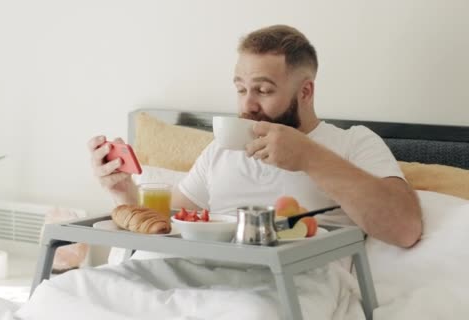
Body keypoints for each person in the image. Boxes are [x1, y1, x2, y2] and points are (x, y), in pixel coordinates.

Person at [88, 25, 422, 248]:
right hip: (191, 275)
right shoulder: (222, 149)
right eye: (241, 89)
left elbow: (404, 228)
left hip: (282, 285)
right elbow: (170, 225)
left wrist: (309, 156)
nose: (247, 105)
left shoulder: (354, 143)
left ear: (305, 92)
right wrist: (123, 194)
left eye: (263, 90)